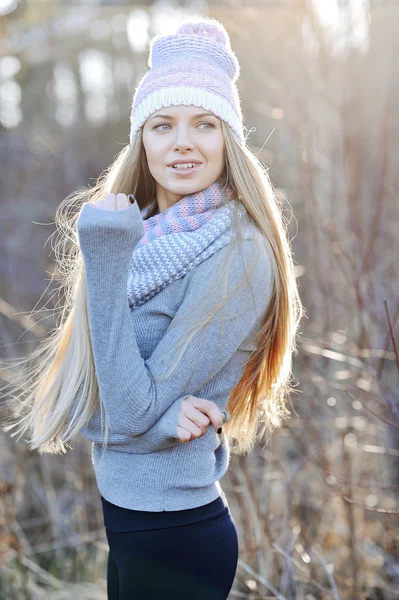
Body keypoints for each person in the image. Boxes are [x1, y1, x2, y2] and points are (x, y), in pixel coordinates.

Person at [2, 17, 304, 600]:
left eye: (204, 125)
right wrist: (152, 422)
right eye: (163, 124)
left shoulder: (236, 255)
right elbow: (85, 402)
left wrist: (106, 267)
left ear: (228, 140)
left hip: (177, 536)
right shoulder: (140, 236)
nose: (182, 142)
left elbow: (125, 415)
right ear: (142, 138)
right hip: (129, 525)